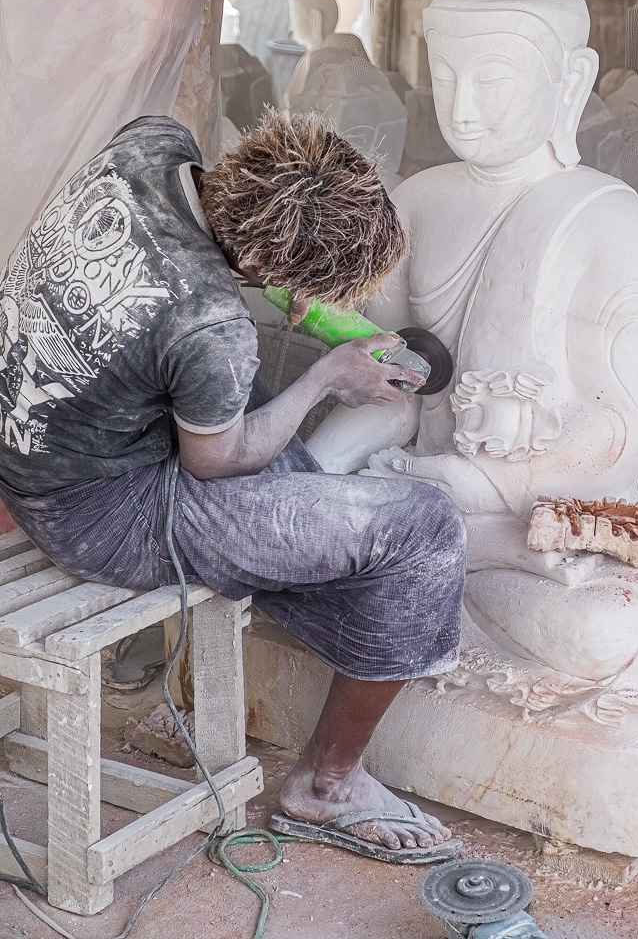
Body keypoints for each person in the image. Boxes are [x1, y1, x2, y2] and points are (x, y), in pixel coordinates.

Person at [0, 108, 465, 860]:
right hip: (97, 513)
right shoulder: (211, 324)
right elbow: (214, 462)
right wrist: (325, 375)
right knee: (425, 528)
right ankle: (327, 786)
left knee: (272, 444)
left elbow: (183, 281)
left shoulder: (152, 143)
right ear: (258, 263)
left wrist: (279, 284)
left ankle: (324, 582)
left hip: (37, 444)